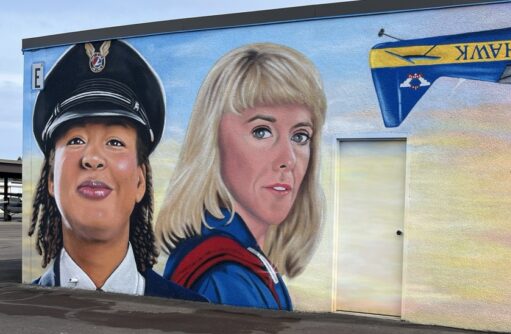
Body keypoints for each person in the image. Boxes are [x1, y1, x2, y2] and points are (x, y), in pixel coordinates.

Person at [28, 39, 206, 302]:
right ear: (51, 179)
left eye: (115, 142)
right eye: (76, 140)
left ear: (139, 181)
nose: (93, 158)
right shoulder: (27, 308)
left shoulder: (193, 310)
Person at [156, 43, 326, 310]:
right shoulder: (224, 278)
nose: (288, 159)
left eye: (300, 136)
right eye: (262, 131)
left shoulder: (248, 259)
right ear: (213, 141)